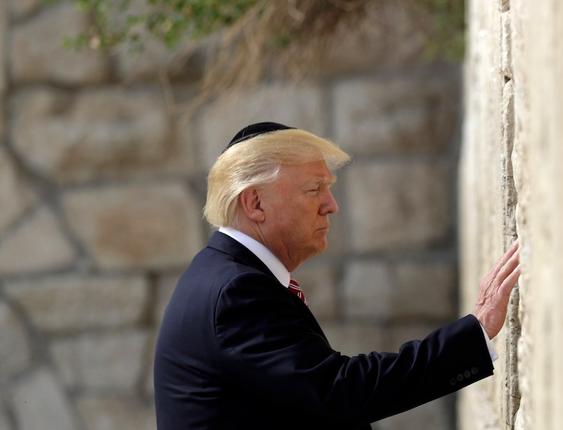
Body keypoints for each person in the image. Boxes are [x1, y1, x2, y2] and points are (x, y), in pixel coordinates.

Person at [154, 122, 521, 429]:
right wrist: (476, 332)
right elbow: (340, 391)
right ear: (256, 204)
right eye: (315, 189)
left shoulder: (225, 276)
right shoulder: (236, 292)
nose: (332, 205)